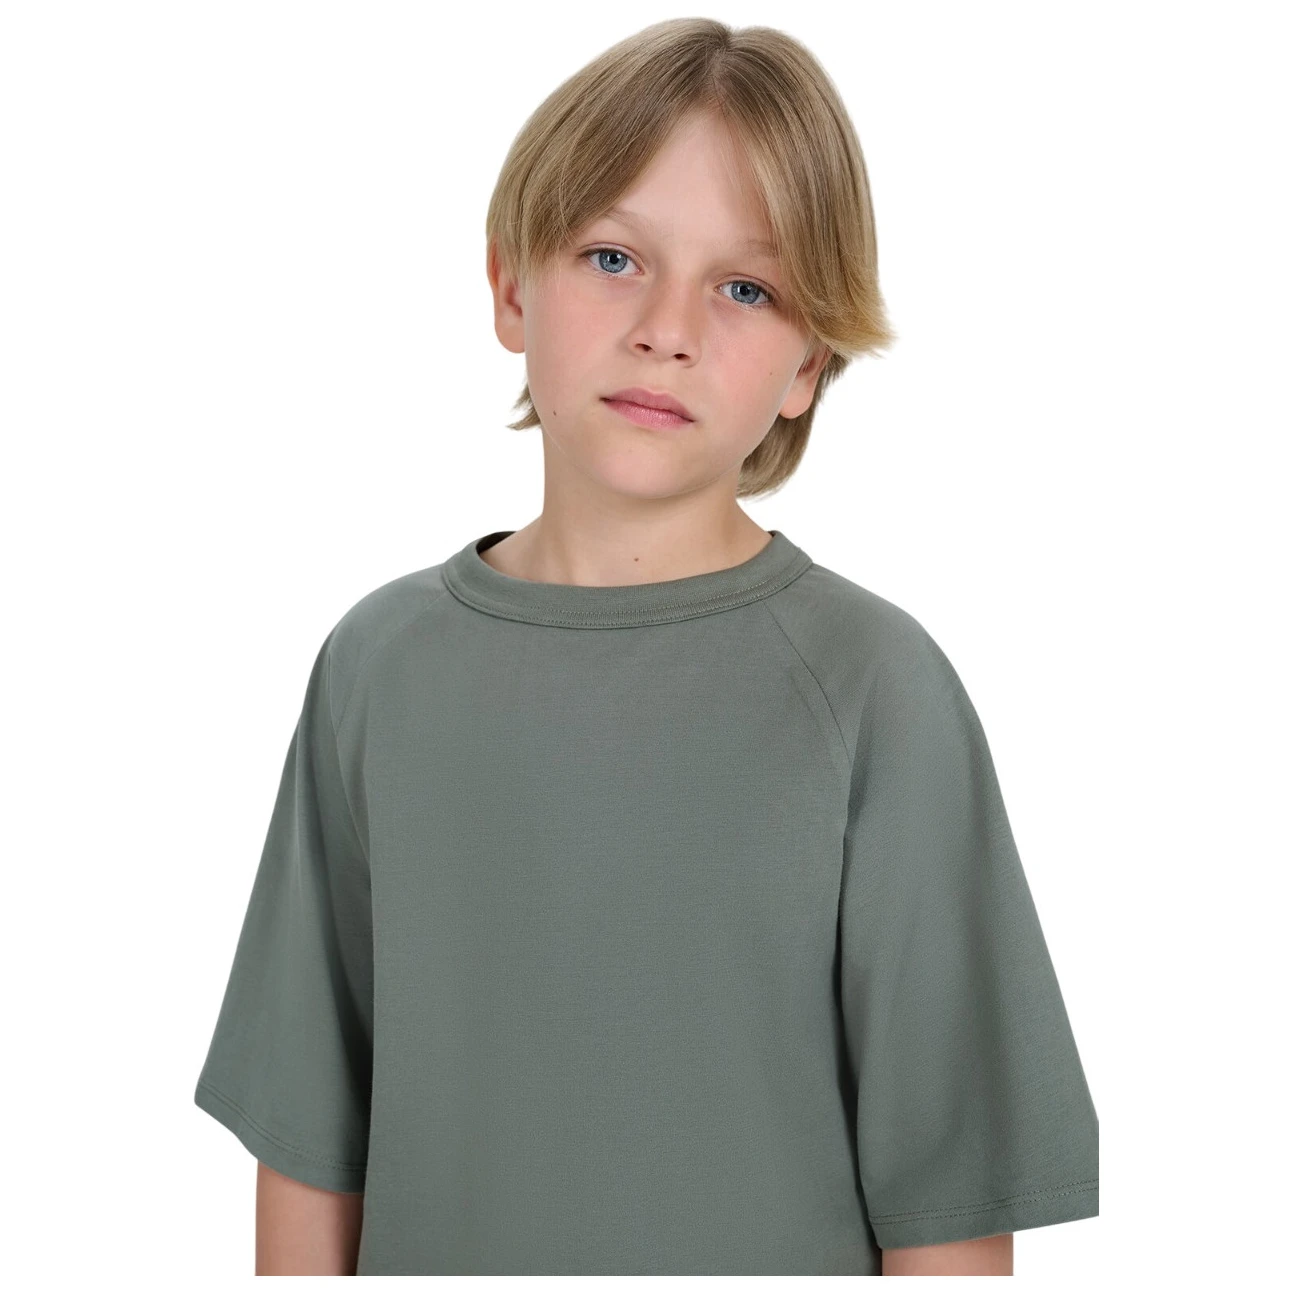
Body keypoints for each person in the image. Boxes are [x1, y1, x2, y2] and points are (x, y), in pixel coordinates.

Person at [193, 17, 1098, 1276]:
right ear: (511, 288)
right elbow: (309, 1140)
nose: (667, 328)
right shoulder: (377, 668)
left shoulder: (873, 691)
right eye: (613, 256)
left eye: (745, 288)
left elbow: (946, 1203)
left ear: (807, 364)